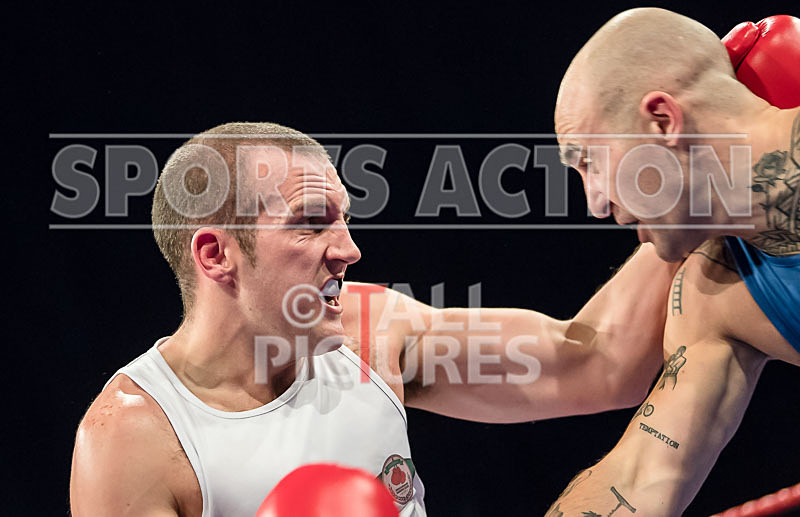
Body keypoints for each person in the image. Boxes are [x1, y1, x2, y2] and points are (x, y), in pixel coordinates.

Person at [69, 122, 677, 517]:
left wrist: (691, 186)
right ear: (216, 254)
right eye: (311, 222)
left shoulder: (371, 330)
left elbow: (599, 361)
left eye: (345, 219)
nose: (349, 249)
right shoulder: (134, 439)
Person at [549, 8, 800, 516]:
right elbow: (636, 480)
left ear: (662, 121)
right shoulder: (717, 298)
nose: (596, 204)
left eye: (589, 162)